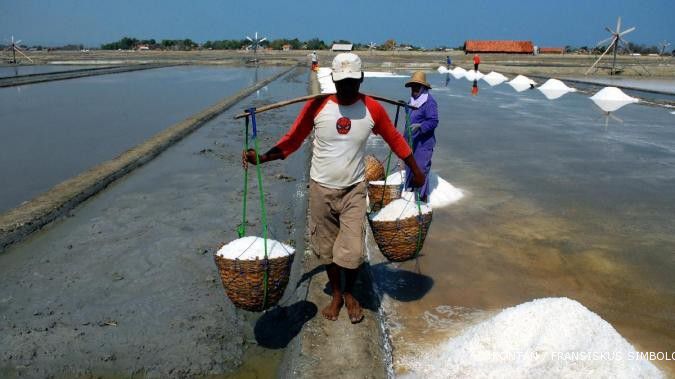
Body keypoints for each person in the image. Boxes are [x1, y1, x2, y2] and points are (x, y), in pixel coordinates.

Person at [244, 53, 426, 323]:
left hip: (354, 189)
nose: (347, 87)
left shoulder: (372, 109)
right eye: (341, 82)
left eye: (352, 81)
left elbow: (395, 139)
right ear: (333, 79)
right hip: (321, 188)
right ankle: (338, 293)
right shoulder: (317, 106)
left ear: (360, 79)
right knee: (327, 249)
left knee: (352, 252)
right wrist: (262, 158)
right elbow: (292, 140)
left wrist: (417, 171)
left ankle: (350, 291)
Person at [403, 71, 439, 203]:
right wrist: (403, 140)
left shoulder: (429, 102)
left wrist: (421, 126)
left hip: (423, 144)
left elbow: (434, 121)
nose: (414, 89)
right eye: (413, 87)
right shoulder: (411, 102)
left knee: (420, 170)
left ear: (423, 87)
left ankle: (421, 201)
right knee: (409, 168)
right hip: (411, 142)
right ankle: (408, 197)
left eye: (417, 87)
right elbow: (407, 122)